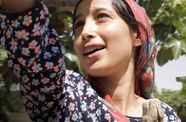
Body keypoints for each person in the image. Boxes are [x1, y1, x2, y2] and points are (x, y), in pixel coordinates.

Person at [0, 0, 181, 121]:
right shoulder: (67, 95)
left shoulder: (166, 115)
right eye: (78, 25)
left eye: (102, 16)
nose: (85, 32)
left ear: (137, 35)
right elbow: (34, 54)